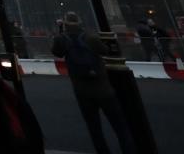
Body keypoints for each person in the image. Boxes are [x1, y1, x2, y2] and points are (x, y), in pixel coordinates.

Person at [52, 11, 135, 154]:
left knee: (94, 128)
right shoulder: (90, 37)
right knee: (120, 126)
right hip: (103, 88)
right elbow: (106, 51)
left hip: (82, 90)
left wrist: (60, 32)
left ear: (65, 24)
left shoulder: (62, 40)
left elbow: (57, 52)